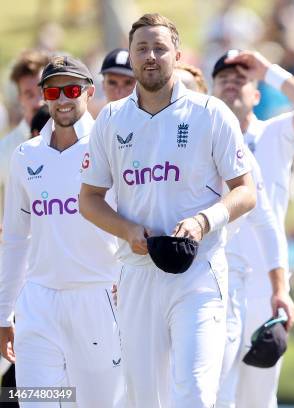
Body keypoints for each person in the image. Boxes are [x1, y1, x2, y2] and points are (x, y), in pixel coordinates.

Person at [79, 13, 256, 408]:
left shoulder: (210, 113)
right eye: (142, 48)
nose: (151, 56)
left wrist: (202, 221)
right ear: (132, 55)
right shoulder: (110, 118)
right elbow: (89, 199)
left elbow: (245, 192)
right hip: (137, 273)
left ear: (177, 53)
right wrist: (127, 230)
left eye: (160, 48)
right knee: (145, 399)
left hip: (199, 271)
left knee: (194, 394)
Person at [0, 55, 124, 407]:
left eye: (71, 89)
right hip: (39, 303)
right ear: (44, 95)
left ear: (87, 92)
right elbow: (14, 238)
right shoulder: (25, 155)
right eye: (54, 91)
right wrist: (4, 310)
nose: (63, 98)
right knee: (39, 401)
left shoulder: (110, 145)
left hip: (98, 296)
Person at [211, 49, 294, 407]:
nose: (232, 84)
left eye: (241, 79)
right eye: (223, 79)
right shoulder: (199, 142)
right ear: (211, 92)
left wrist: (267, 70)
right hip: (215, 282)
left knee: (260, 398)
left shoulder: (274, 134)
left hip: (266, 284)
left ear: (257, 94)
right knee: (216, 395)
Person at [0, 50, 51, 235]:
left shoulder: (77, 139)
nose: (38, 102)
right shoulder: (5, 149)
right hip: (23, 256)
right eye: (29, 94)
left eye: (42, 91)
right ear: (20, 98)